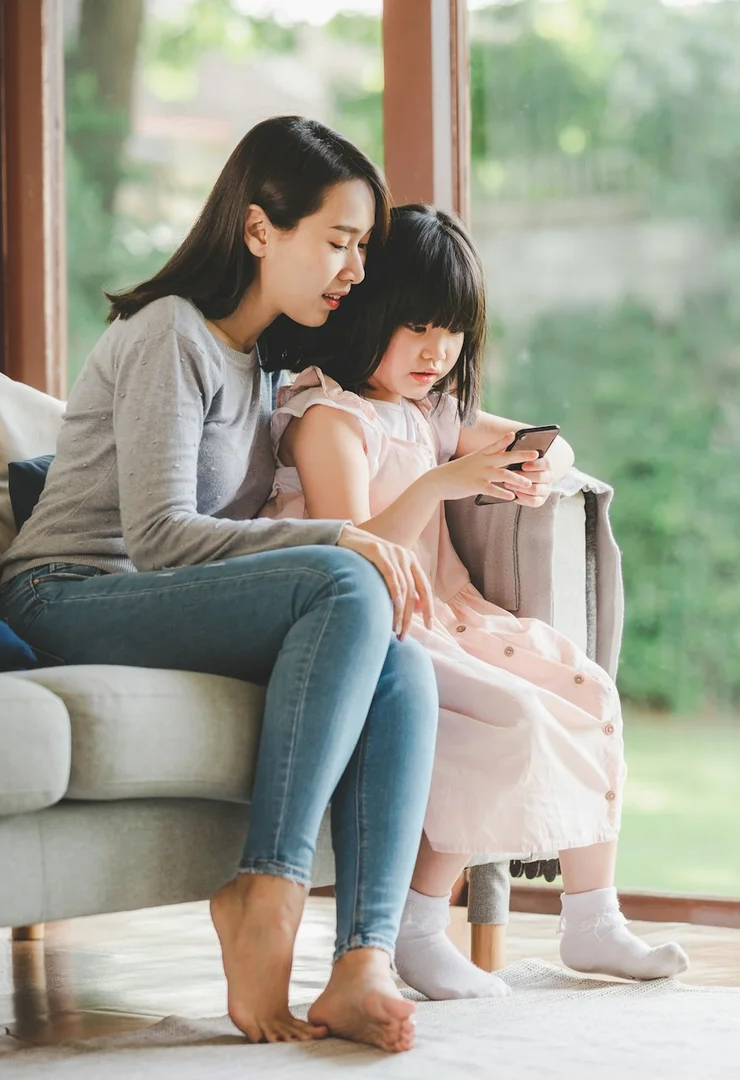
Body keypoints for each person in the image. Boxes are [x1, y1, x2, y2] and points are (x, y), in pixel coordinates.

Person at [0, 117, 436, 1054]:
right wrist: (341, 536)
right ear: (260, 228)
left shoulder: (265, 361)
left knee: (403, 663)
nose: (356, 270)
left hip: (155, 604)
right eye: (340, 241)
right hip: (68, 593)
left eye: (363, 247)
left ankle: (364, 960)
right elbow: (159, 539)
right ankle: (266, 889)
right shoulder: (170, 334)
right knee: (348, 582)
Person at [260, 204, 689, 1002]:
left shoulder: (430, 410)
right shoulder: (327, 417)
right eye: (418, 327)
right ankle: (418, 930)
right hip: (379, 619)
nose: (437, 351)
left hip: (449, 612)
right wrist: (438, 484)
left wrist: (536, 464)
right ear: (364, 313)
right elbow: (354, 548)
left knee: (586, 687)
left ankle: (592, 916)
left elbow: (549, 441)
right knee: (506, 715)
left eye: (454, 331)